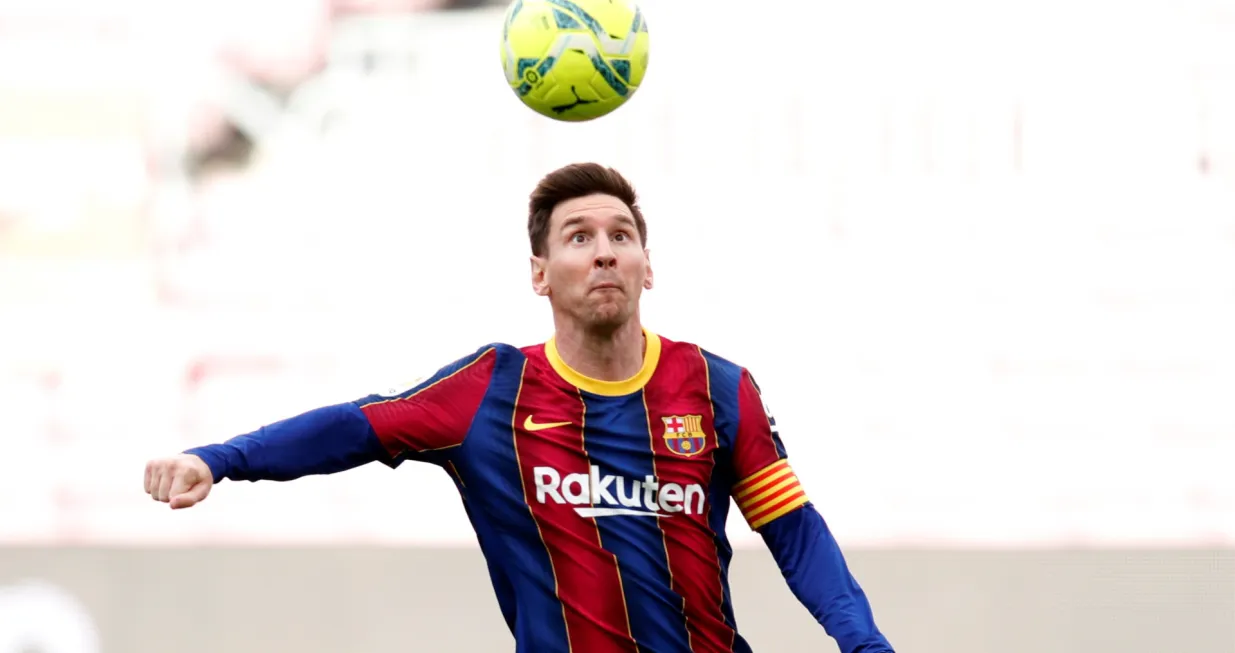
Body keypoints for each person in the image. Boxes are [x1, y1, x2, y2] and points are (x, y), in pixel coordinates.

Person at [143, 163, 895, 653]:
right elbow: (358, 425)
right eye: (579, 237)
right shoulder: (488, 391)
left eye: (620, 235)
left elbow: (794, 532)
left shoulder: (717, 387)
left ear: (647, 266)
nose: (604, 251)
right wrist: (220, 458)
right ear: (539, 273)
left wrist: (864, 643)